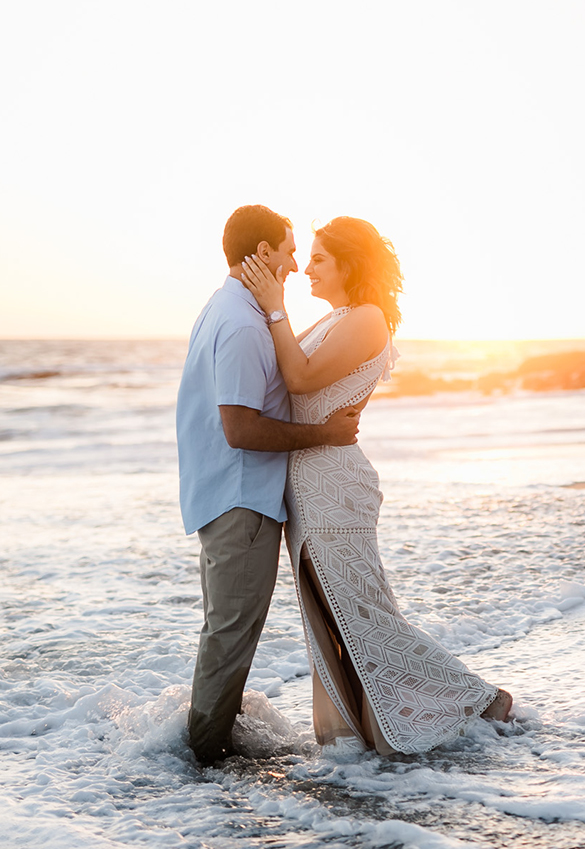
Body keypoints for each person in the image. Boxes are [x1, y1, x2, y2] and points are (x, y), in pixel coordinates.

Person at [239, 215, 513, 754]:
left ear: (349, 263)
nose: (307, 268)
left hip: (335, 487)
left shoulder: (367, 319)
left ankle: (482, 701)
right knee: (333, 619)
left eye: (319, 258)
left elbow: (298, 379)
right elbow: (284, 374)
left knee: (364, 614)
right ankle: (362, 734)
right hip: (308, 484)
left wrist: (274, 305)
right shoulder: (335, 318)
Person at [178, 204, 361, 766]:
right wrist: (323, 434)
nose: (296, 261)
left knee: (225, 634)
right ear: (263, 255)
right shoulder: (240, 324)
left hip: (224, 497)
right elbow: (240, 428)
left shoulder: (227, 308)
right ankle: (201, 764)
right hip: (241, 501)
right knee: (230, 639)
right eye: (287, 249)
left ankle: (208, 751)